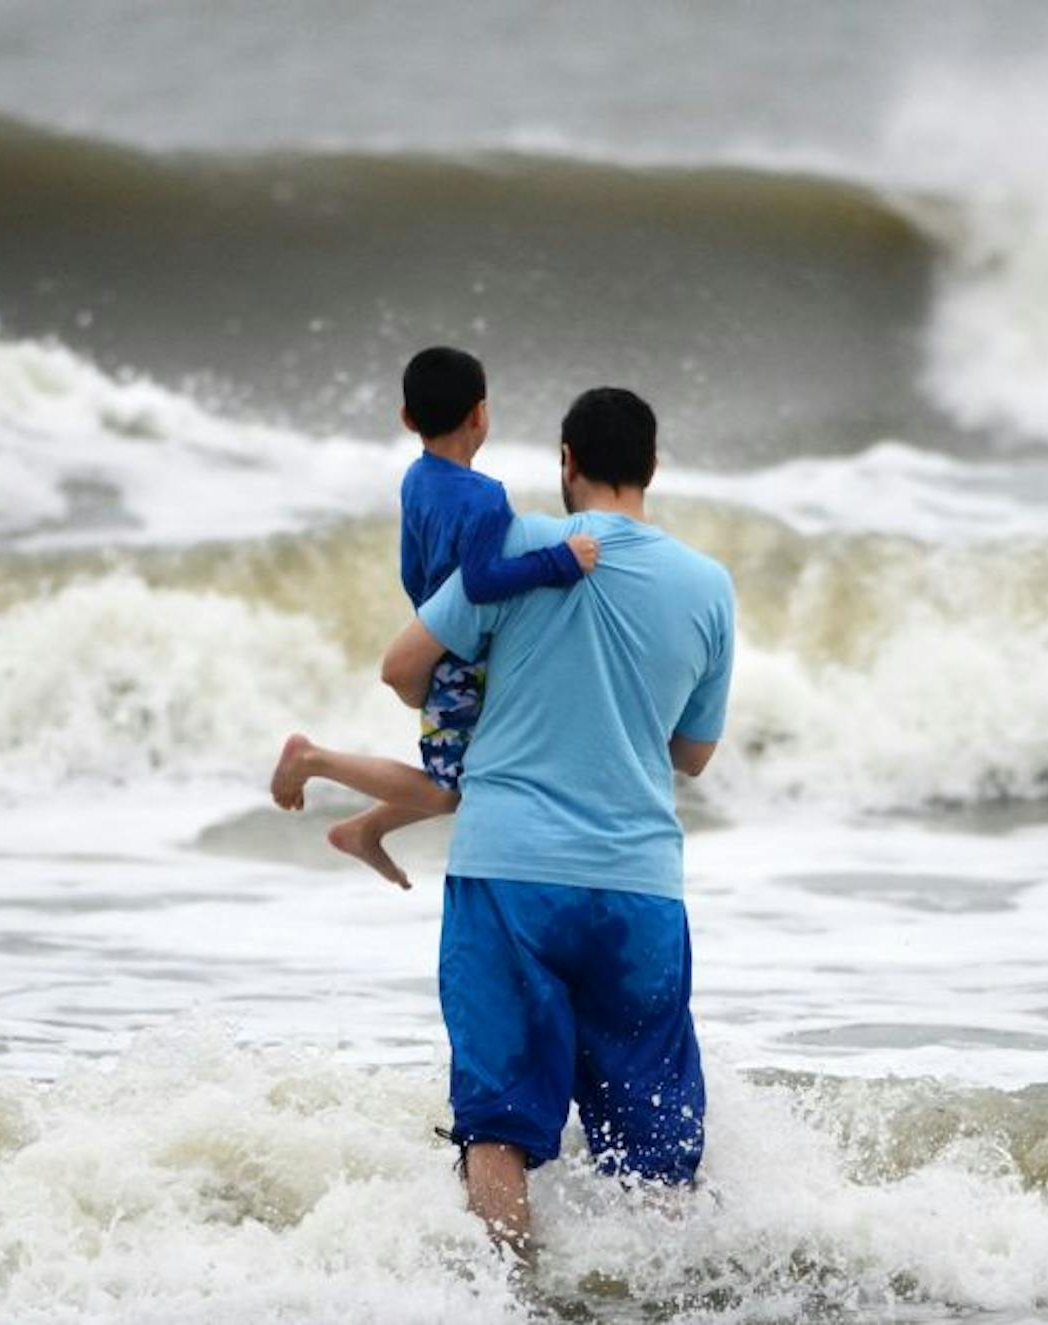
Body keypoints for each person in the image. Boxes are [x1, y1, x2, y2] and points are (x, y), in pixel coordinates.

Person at [376, 386, 736, 1256]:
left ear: (565, 461)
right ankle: (660, 1299)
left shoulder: (520, 544)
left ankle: (509, 1297)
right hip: (638, 884)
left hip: (511, 872)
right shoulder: (707, 585)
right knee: (654, 1136)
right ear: (652, 466)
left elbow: (401, 667)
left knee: (497, 1117)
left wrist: (482, 701)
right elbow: (692, 754)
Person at [270, 346, 598, 886]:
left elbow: (414, 568)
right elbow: (480, 582)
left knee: (463, 770)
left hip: (438, 638)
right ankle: (316, 763)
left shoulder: (415, 479)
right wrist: (559, 562)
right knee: (452, 789)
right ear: (480, 414)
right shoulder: (487, 499)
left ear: (406, 418)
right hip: (462, 656)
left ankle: (364, 831)